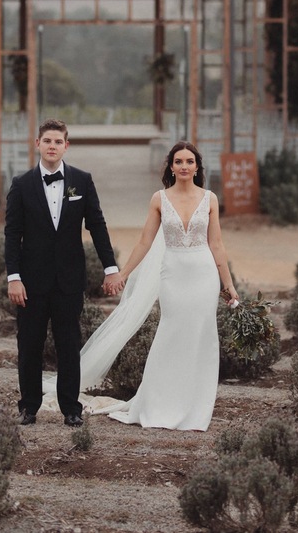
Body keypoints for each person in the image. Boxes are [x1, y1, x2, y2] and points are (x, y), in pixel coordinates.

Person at [79, 140, 239, 431]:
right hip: (174, 274)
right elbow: (144, 242)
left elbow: (216, 244)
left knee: (201, 337)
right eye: (179, 161)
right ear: (171, 166)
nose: (184, 166)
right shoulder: (159, 199)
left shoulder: (210, 199)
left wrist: (227, 285)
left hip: (203, 274)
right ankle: (159, 403)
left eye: (190, 161)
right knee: (170, 333)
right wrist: (123, 273)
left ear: (197, 167)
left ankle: (194, 410)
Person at [4, 118, 122, 427]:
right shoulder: (22, 184)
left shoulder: (81, 181)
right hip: (30, 281)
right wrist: (13, 277)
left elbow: (96, 224)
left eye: (58, 142)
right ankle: (28, 407)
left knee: (69, 344)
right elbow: (11, 233)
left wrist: (111, 267)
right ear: (38, 144)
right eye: (47, 141)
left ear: (66, 146)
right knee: (29, 345)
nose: (52, 146)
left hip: (69, 280)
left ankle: (71, 408)